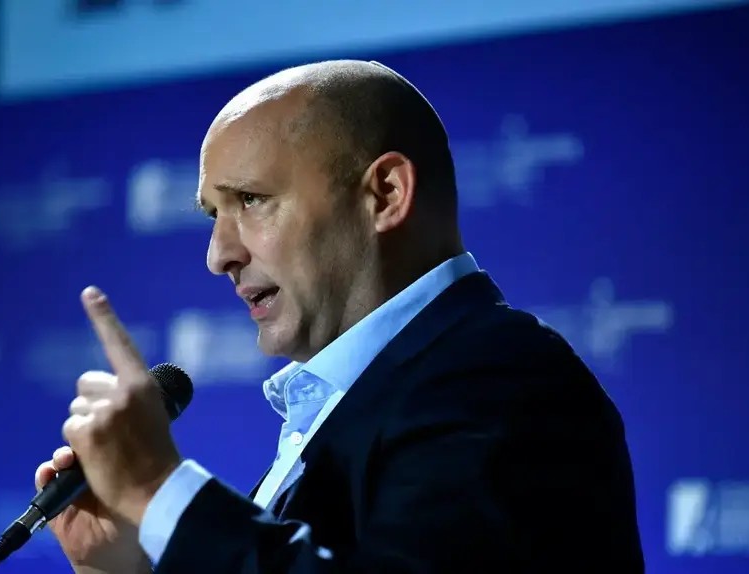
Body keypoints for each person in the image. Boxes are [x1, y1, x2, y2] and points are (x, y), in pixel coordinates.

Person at [35, 59, 645, 573]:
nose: (218, 255)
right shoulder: (365, 401)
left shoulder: (501, 379)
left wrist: (158, 491)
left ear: (386, 195)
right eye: (214, 215)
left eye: (251, 199)